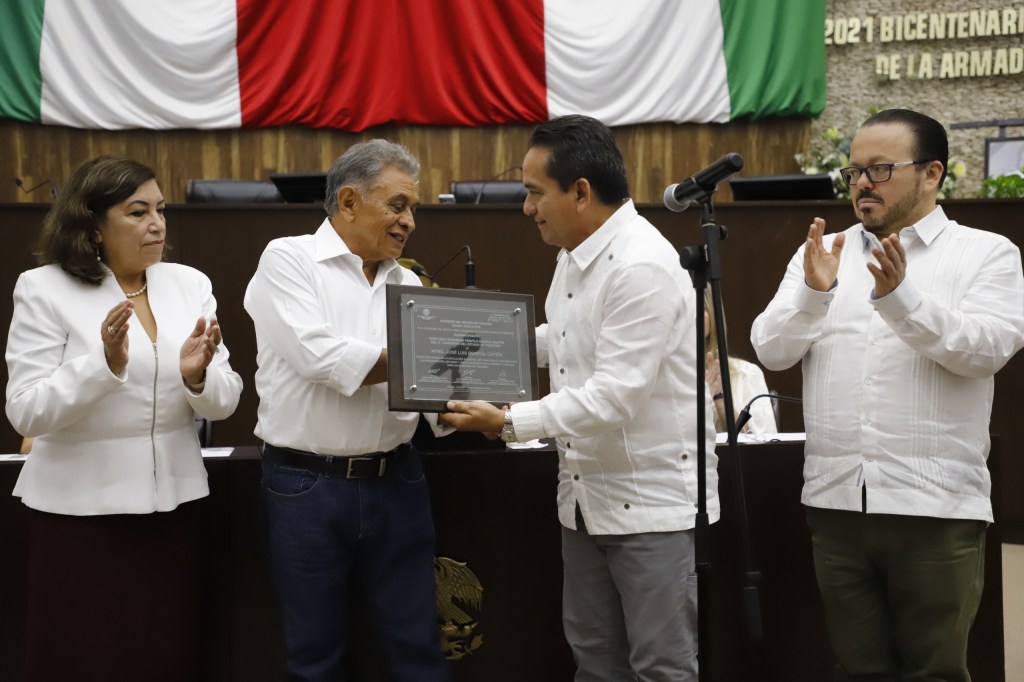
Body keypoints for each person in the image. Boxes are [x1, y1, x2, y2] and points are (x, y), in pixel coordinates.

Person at [440, 114, 717, 681]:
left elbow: (615, 395)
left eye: (535, 193)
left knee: (660, 668)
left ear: (581, 192)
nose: (527, 208)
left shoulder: (640, 264)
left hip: (651, 509)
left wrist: (511, 420)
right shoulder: (575, 253)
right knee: (595, 664)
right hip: (586, 502)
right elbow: (562, 341)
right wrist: (473, 346)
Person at [750, 109, 1024, 681]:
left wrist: (901, 299)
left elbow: (987, 348)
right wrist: (812, 295)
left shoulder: (986, 253)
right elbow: (771, 350)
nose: (862, 184)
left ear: (932, 174)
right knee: (858, 670)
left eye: (880, 169)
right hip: (837, 502)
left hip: (934, 505)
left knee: (936, 672)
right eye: (853, 172)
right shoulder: (824, 253)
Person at [4, 155, 242, 682]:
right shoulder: (44, 288)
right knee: (84, 657)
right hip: (79, 515)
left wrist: (197, 376)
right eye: (137, 212)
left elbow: (225, 402)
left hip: (171, 509)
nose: (156, 223)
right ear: (92, 226)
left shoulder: (189, 284)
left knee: (163, 655)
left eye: (160, 209)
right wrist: (102, 365)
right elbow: (25, 408)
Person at [244, 140, 450, 682]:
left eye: (413, 210)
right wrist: (431, 357)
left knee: (419, 648)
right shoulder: (287, 259)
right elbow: (321, 359)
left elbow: (434, 394)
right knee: (316, 655)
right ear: (351, 200)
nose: (410, 222)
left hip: (398, 480)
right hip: (306, 486)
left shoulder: (407, 282)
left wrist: (467, 396)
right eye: (399, 205)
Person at [702, 285, 776, 436]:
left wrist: (720, 400)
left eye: (700, 308)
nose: (692, 316)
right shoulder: (658, 378)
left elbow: (762, 448)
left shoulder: (746, 374)